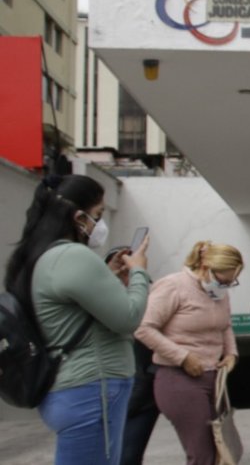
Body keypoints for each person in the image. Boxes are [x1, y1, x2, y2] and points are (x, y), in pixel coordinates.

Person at [3, 175, 151, 465]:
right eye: (98, 214)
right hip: (92, 389)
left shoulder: (38, 256)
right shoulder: (73, 255)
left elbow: (72, 312)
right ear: (79, 217)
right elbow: (128, 318)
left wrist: (106, 277)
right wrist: (139, 272)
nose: (100, 224)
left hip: (70, 388)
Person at [135, 241, 242, 465]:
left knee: (222, 452)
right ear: (205, 268)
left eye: (231, 283)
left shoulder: (218, 292)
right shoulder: (173, 286)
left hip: (213, 378)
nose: (225, 287)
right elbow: (143, 328)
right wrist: (182, 357)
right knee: (202, 454)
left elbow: (225, 326)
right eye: (223, 281)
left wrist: (231, 353)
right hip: (179, 379)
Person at [102, 245, 160, 465]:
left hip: (142, 390)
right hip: (106, 389)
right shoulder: (98, 301)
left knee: (128, 456)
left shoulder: (152, 296)